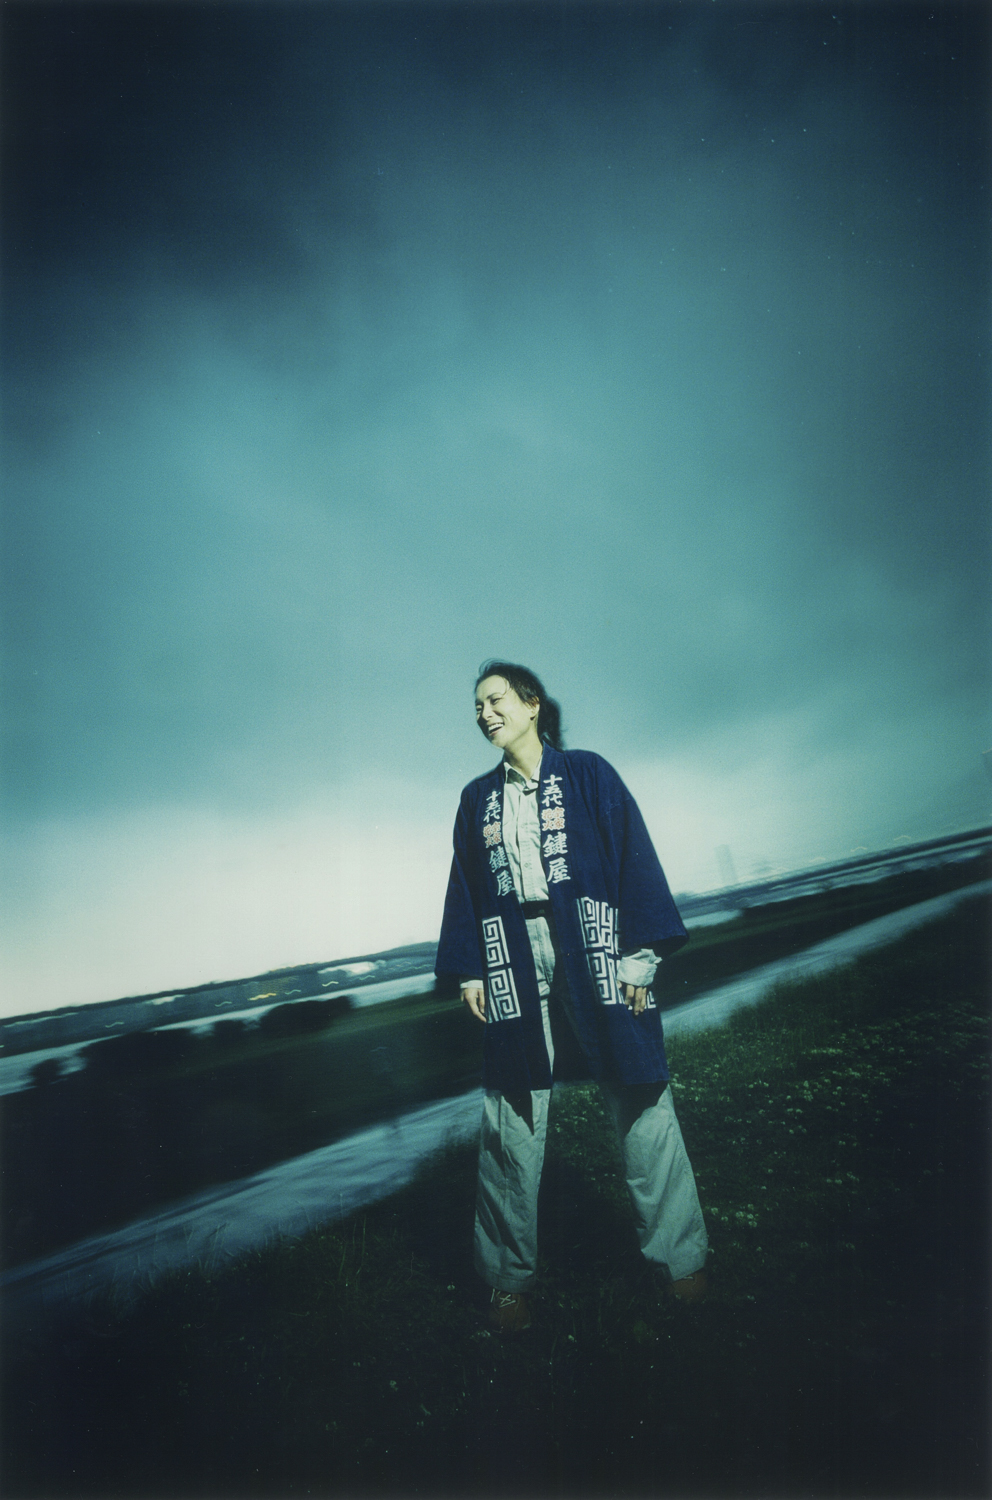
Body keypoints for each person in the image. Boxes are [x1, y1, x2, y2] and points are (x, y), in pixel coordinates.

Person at [435, 661, 709, 1331]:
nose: (484, 714)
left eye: (495, 700)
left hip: (594, 937)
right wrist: (471, 971)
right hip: (511, 948)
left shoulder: (588, 774)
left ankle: (679, 1260)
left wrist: (640, 957)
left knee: (639, 1089)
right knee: (511, 1104)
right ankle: (507, 1281)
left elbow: (632, 855)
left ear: (532, 704)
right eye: (477, 707)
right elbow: (464, 885)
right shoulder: (477, 799)